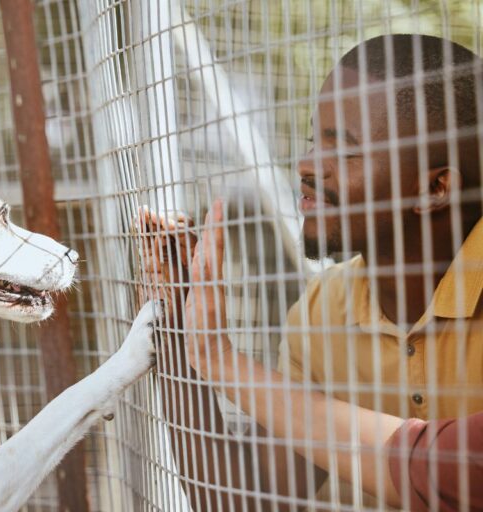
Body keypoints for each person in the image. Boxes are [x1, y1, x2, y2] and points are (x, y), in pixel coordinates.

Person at [139, 34, 483, 510]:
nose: (304, 165)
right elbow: (250, 500)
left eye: (343, 151)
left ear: (435, 187)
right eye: (311, 142)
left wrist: (218, 356)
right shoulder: (322, 311)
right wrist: (180, 333)